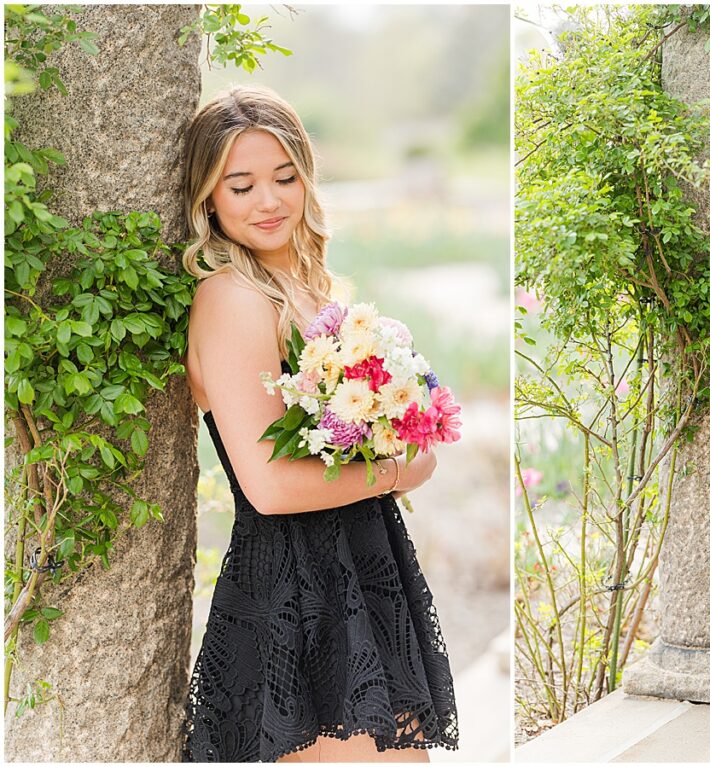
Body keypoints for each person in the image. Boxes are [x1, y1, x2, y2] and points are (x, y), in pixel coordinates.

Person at [178, 85, 458, 762]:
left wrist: (403, 422)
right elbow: (269, 488)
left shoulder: (308, 288)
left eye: (284, 178)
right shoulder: (232, 298)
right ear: (208, 198)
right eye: (240, 186)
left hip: (357, 561)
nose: (269, 201)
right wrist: (396, 470)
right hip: (295, 587)